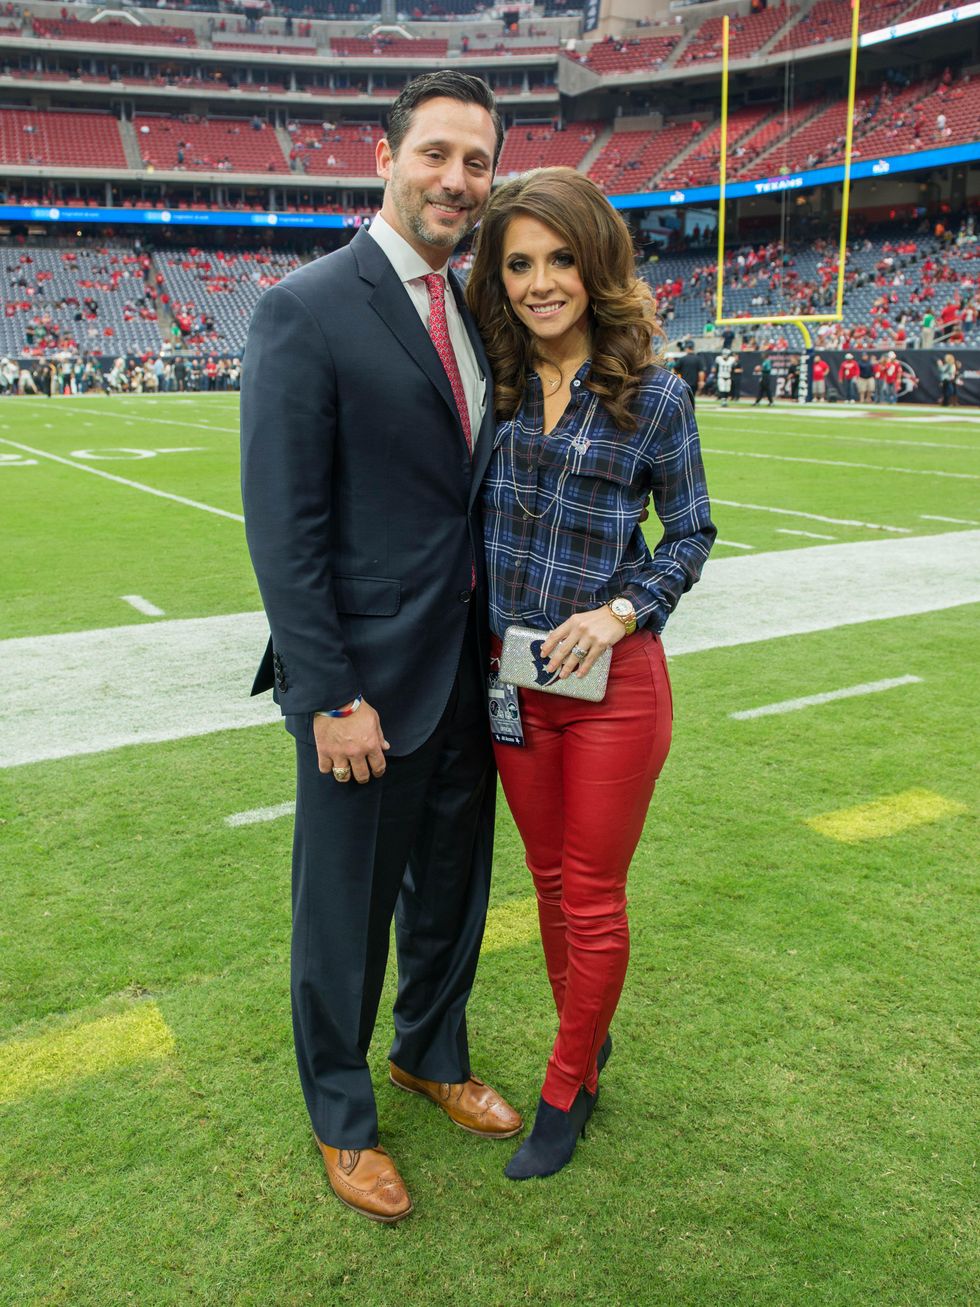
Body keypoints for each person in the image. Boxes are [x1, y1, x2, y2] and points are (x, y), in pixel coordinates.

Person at [240, 71, 521, 1227]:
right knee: (345, 907)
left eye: (476, 162)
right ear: (385, 156)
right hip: (360, 682)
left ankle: (429, 1048)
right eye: (437, 154)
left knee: (454, 880)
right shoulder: (304, 305)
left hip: (465, 663)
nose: (456, 180)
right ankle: (342, 1113)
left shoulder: (474, 308)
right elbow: (283, 524)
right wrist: (326, 692)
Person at [465, 168, 716, 1181]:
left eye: (559, 258)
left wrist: (617, 612)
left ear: (595, 262)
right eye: (519, 262)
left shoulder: (652, 391)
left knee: (593, 896)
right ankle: (585, 1033)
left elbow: (690, 533)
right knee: (548, 882)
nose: (539, 281)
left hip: (614, 689)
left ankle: (567, 1081)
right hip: (510, 683)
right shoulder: (494, 379)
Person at [674, 340, 705, 408]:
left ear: (687, 348)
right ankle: (691, 415)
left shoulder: (682, 359)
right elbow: (701, 372)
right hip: (694, 383)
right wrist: (701, 381)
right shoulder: (698, 359)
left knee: (683, 400)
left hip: (684, 382)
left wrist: (678, 377)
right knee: (692, 399)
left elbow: (675, 369)